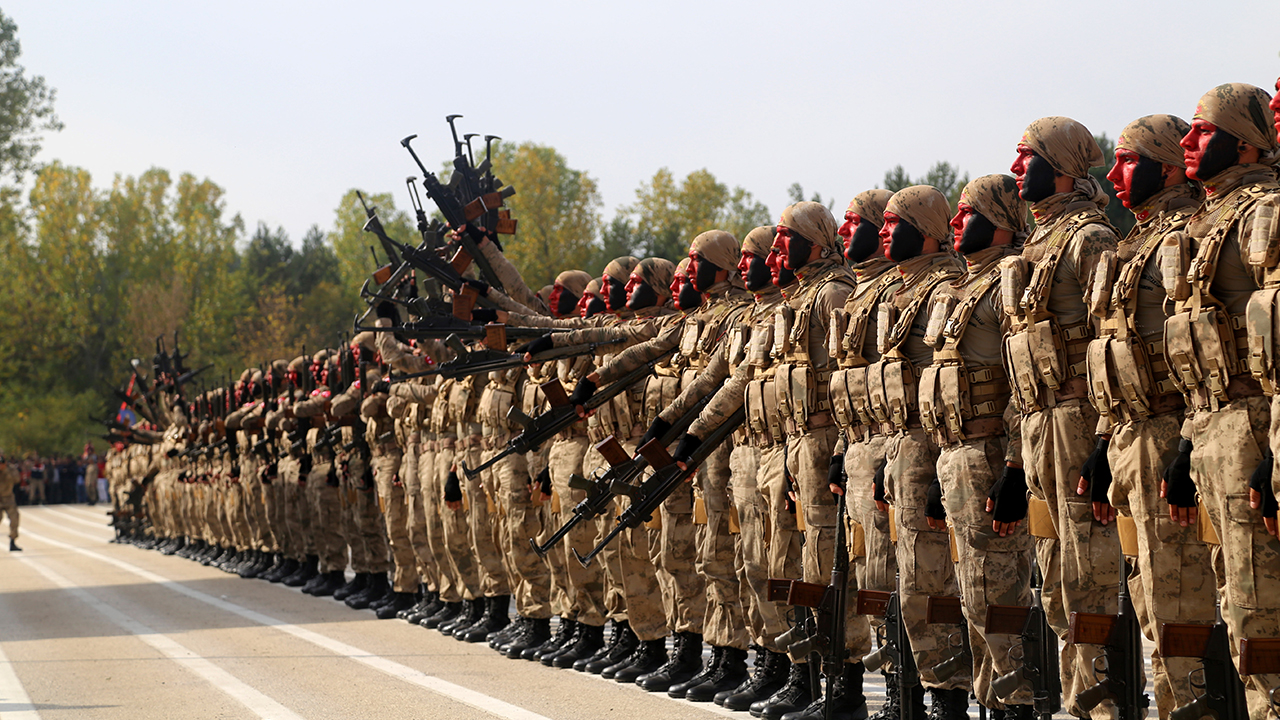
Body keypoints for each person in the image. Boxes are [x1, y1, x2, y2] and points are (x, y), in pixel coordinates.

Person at [1092, 114, 1214, 718]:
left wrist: (1188, 446)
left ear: (1166, 167)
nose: (1114, 174)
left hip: (1171, 435)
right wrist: (1100, 442)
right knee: (1151, 598)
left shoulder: (1188, 233)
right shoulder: (1131, 244)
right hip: (1129, 438)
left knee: (1186, 599)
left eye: (1129, 160)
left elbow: (1207, 350)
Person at [1165, 82, 1280, 716]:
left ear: (1241, 142)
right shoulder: (1209, 224)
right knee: (1236, 599)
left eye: (1202, 131)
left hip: (1253, 427)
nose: (1188, 141)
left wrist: (1272, 455)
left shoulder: (1265, 210)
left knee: (1262, 609)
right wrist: (1187, 444)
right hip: (1212, 427)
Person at [1003, 116, 1120, 719]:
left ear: (1061, 166)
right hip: (1038, 426)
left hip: (1079, 423)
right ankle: (1079, 697)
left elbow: (1112, 340)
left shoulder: (1089, 238)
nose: (1018, 167)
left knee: (1091, 570)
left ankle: (1104, 702)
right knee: (1054, 573)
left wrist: (1104, 443)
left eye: (1027, 156)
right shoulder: (1038, 244)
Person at [1, 450, 20, 551]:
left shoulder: (10, 469)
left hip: (8, 498)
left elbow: (16, 479)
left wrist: (5, 470)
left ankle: (12, 541)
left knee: (14, 520)